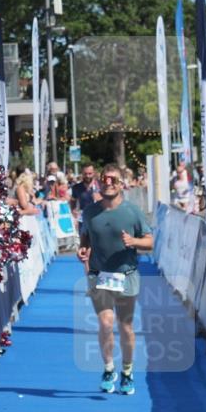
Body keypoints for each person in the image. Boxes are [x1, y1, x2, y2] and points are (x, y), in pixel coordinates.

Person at [77, 165, 153, 395]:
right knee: (106, 324)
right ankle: (109, 368)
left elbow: (150, 242)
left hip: (126, 276)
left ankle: (128, 372)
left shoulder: (132, 212)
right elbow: (85, 236)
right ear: (99, 183)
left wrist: (134, 242)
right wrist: (83, 250)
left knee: (126, 326)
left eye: (114, 180)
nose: (109, 182)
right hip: (99, 275)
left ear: (121, 184)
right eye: (105, 179)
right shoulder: (90, 212)